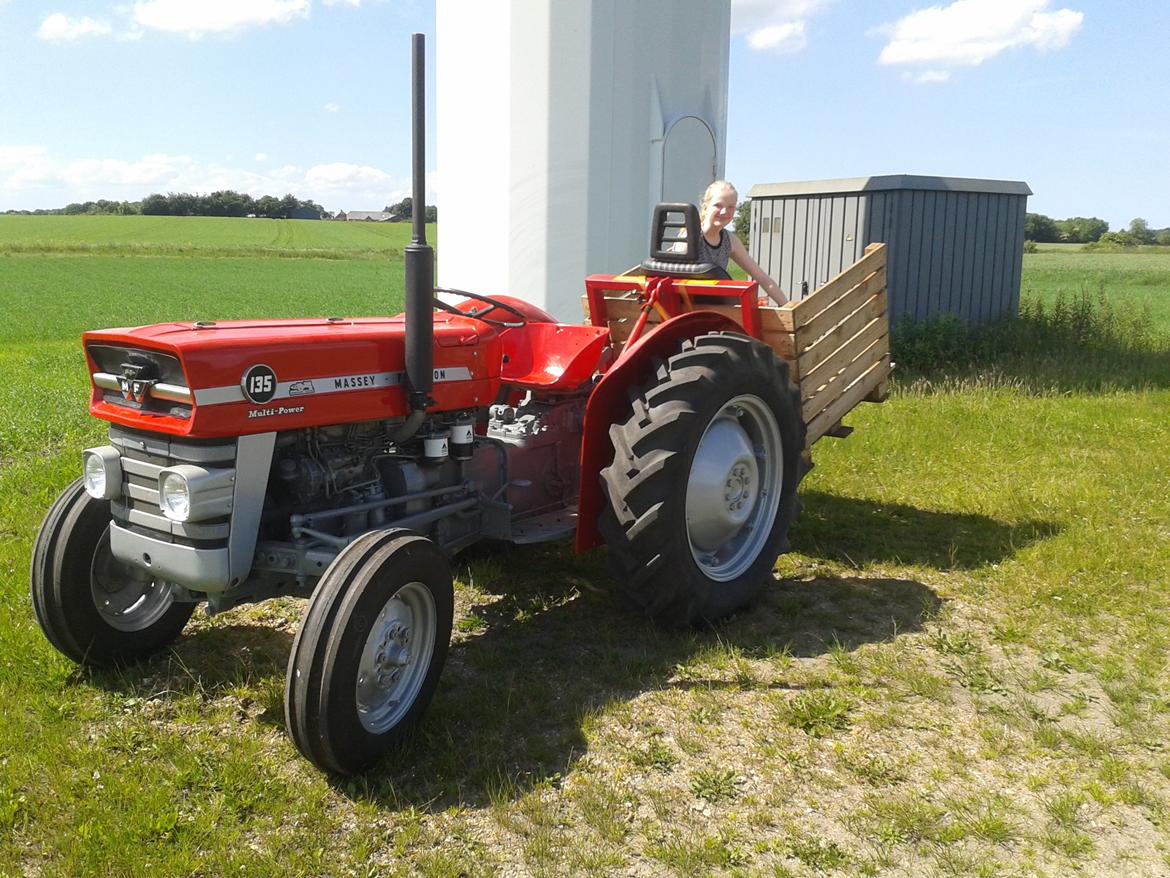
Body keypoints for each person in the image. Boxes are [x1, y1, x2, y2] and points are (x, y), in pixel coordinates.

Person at [695, 180, 788, 306]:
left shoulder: (729, 240)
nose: (724, 212)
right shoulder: (691, 236)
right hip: (690, 307)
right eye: (718, 205)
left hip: (717, 308)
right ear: (706, 206)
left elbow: (762, 278)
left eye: (730, 207)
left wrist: (786, 307)